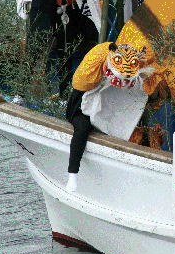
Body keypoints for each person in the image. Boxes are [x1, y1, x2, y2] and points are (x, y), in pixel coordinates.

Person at [65, 40, 158, 192]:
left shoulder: (134, 61)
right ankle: (73, 174)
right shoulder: (98, 60)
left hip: (111, 107)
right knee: (82, 129)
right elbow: (80, 84)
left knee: (128, 126)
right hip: (84, 105)